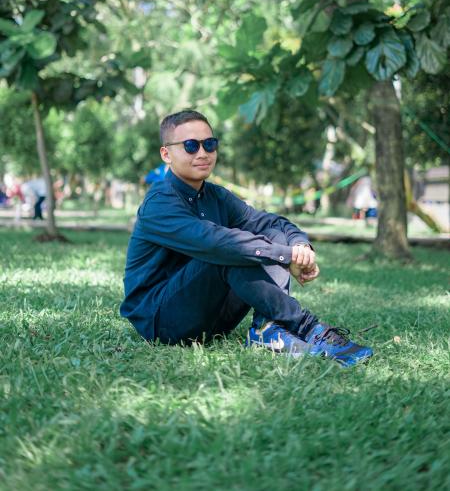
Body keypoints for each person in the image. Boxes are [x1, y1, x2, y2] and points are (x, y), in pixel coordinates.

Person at [120, 110, 373, 367]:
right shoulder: (159, 202)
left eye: (209, 144)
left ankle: (266, 329)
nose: (202, 153)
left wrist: (298, 245)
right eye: (190, 146)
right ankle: (308, 327)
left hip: (212, 318)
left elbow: (272, 223)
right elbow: (215, 243)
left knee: (271, 235)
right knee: (226, 250)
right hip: (162, 322)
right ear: (166, 154)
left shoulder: (216, 195)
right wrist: (285, 256)